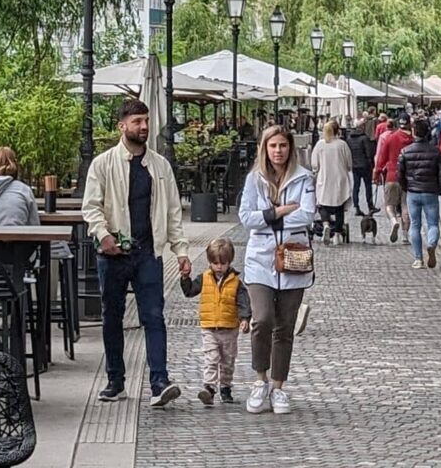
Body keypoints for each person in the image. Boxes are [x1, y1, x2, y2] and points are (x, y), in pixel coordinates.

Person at [82, 99, 190, 408]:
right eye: (137, 122)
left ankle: (159, 381)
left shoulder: (160, 166)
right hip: (113, 252)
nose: (143, 127)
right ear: (122, 126)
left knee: (154, 316)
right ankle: (115, 380)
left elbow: (172, 212)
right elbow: (91, 207)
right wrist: (103, 236)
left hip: (148, 252)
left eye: (146, 121)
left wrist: (180, 250)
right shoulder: (102, 164)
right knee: (111, 316)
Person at [237, 126, 316, 415]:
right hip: (260, 261)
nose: (278, 151)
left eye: (283, 145)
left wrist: (268, 219)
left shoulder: (304, 178)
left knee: (284, 327)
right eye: (273, 146)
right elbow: (247, 218)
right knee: (263, 319)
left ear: (290, 148)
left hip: (293, 260)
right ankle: (260, 380)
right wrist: (280, 212)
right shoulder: (254, 180)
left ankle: (278, 386)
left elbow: (308, 214)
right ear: (265, 149)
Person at [179, 238, 251, 406]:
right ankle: (209, 388)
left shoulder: (235, 282)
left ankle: (225, 387)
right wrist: (185, 278)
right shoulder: (204, 278)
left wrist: (245, 319)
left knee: (227, 361)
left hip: (229, 328)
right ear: (209, 262)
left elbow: (243, 302)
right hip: (209, 327)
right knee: (211, 358)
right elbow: (190, 292)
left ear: (229, 262)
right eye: (215, 263)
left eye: (223, 263)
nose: (219, 266)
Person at [398, 119, 441, 270]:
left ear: (414, 132)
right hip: (430, 191)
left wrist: (406, 187)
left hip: (413, 191)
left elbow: (400, 173)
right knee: (433, 223)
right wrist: (439, 189)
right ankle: (431, 244)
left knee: (415, 225)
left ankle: (418, 258)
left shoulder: (406, 151)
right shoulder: (435, 151)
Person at [374, 113, 414, 244]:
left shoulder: (391, 138)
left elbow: (382, 157)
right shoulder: (413, 140)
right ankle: (405, 236)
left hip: (391, 175)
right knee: (405, 206)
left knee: (389, 205)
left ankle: (393, 221)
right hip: (408, 178)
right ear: (409, 123)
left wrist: (377, 172)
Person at [311, 120, 353, 245]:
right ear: (338, 130)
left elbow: (314, 164)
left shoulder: (320, 145)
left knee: (322, 204)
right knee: (339, 206)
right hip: (340, 178)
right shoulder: (342, 145)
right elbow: (349, 163)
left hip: (324, 178)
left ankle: (325, 225)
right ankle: (337, 234)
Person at [346, 119, 378, 216]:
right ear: (362, 127)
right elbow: (369, 153)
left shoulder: (349, 138)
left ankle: (356, 207)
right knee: (368, 186)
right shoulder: (364, 138)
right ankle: (370, 206)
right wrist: (372, 165)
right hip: (365, 166)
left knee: (356, 186)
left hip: (355, 166)